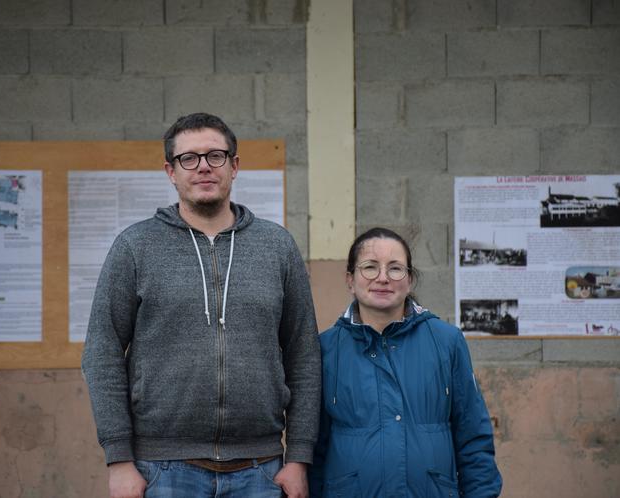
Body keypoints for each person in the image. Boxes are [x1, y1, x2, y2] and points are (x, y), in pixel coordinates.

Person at [82, 112, 321, 498]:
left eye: (216, 156)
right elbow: (102, 351)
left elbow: (304, 355)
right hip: (162, 470)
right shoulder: (135, 247)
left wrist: (298, 457)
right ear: (170, 171)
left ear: (235, 166)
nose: (203, 167)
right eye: (188, 158)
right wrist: (119, 460)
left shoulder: (277, 247)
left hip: (260, 469)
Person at [308, 227, 502, 497]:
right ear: (350, 280)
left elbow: (473, 437)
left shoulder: (446, 342)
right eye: (370, 267)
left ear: (409, 280)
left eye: (395, 268)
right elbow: (313, 448)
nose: (383, 278)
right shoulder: (326, 349)